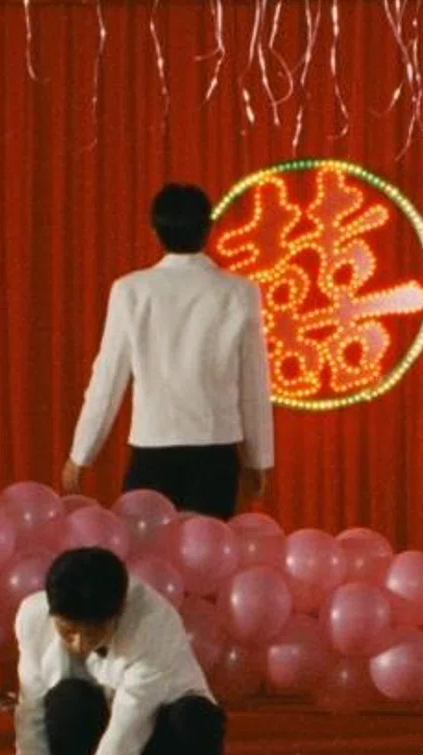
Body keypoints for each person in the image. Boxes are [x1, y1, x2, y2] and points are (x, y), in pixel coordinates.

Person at [62, 183, 275, 518]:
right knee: (209, 562)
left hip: (152, 449)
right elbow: (254, 384)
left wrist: (81, 453)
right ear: (209, 227)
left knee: (147, 561)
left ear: (154, 230)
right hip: (216, 452)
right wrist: (257, 459)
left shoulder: (131, 290)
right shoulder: (239, 292)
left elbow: (107, 378)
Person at [5, 547, 227, 755]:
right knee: (65, 702)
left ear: (119, 611)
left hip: (163, 742)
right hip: (97, 738)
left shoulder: (153, 620)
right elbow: (31, 709)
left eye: (92, 632)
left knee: (194, 717)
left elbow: (131, 719)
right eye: (67, 630)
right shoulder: (32, 616)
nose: (79, 643)